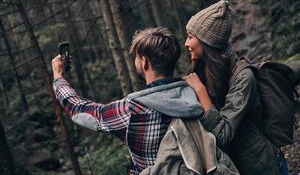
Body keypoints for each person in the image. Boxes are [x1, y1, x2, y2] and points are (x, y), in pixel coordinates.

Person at [51, 27, 205, 175]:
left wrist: (58, 77)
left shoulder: (134, 108)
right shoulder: (196, 93)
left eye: (137, 57)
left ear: (144, 62)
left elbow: (80, 111)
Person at [183, 0, 289, 175]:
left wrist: (201, 93)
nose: (186, 43)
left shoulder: (243, 78)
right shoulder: (204, 68)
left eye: (190, 37)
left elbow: (223, 133)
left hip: (263, 167)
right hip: (236, 167)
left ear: (207, 42)